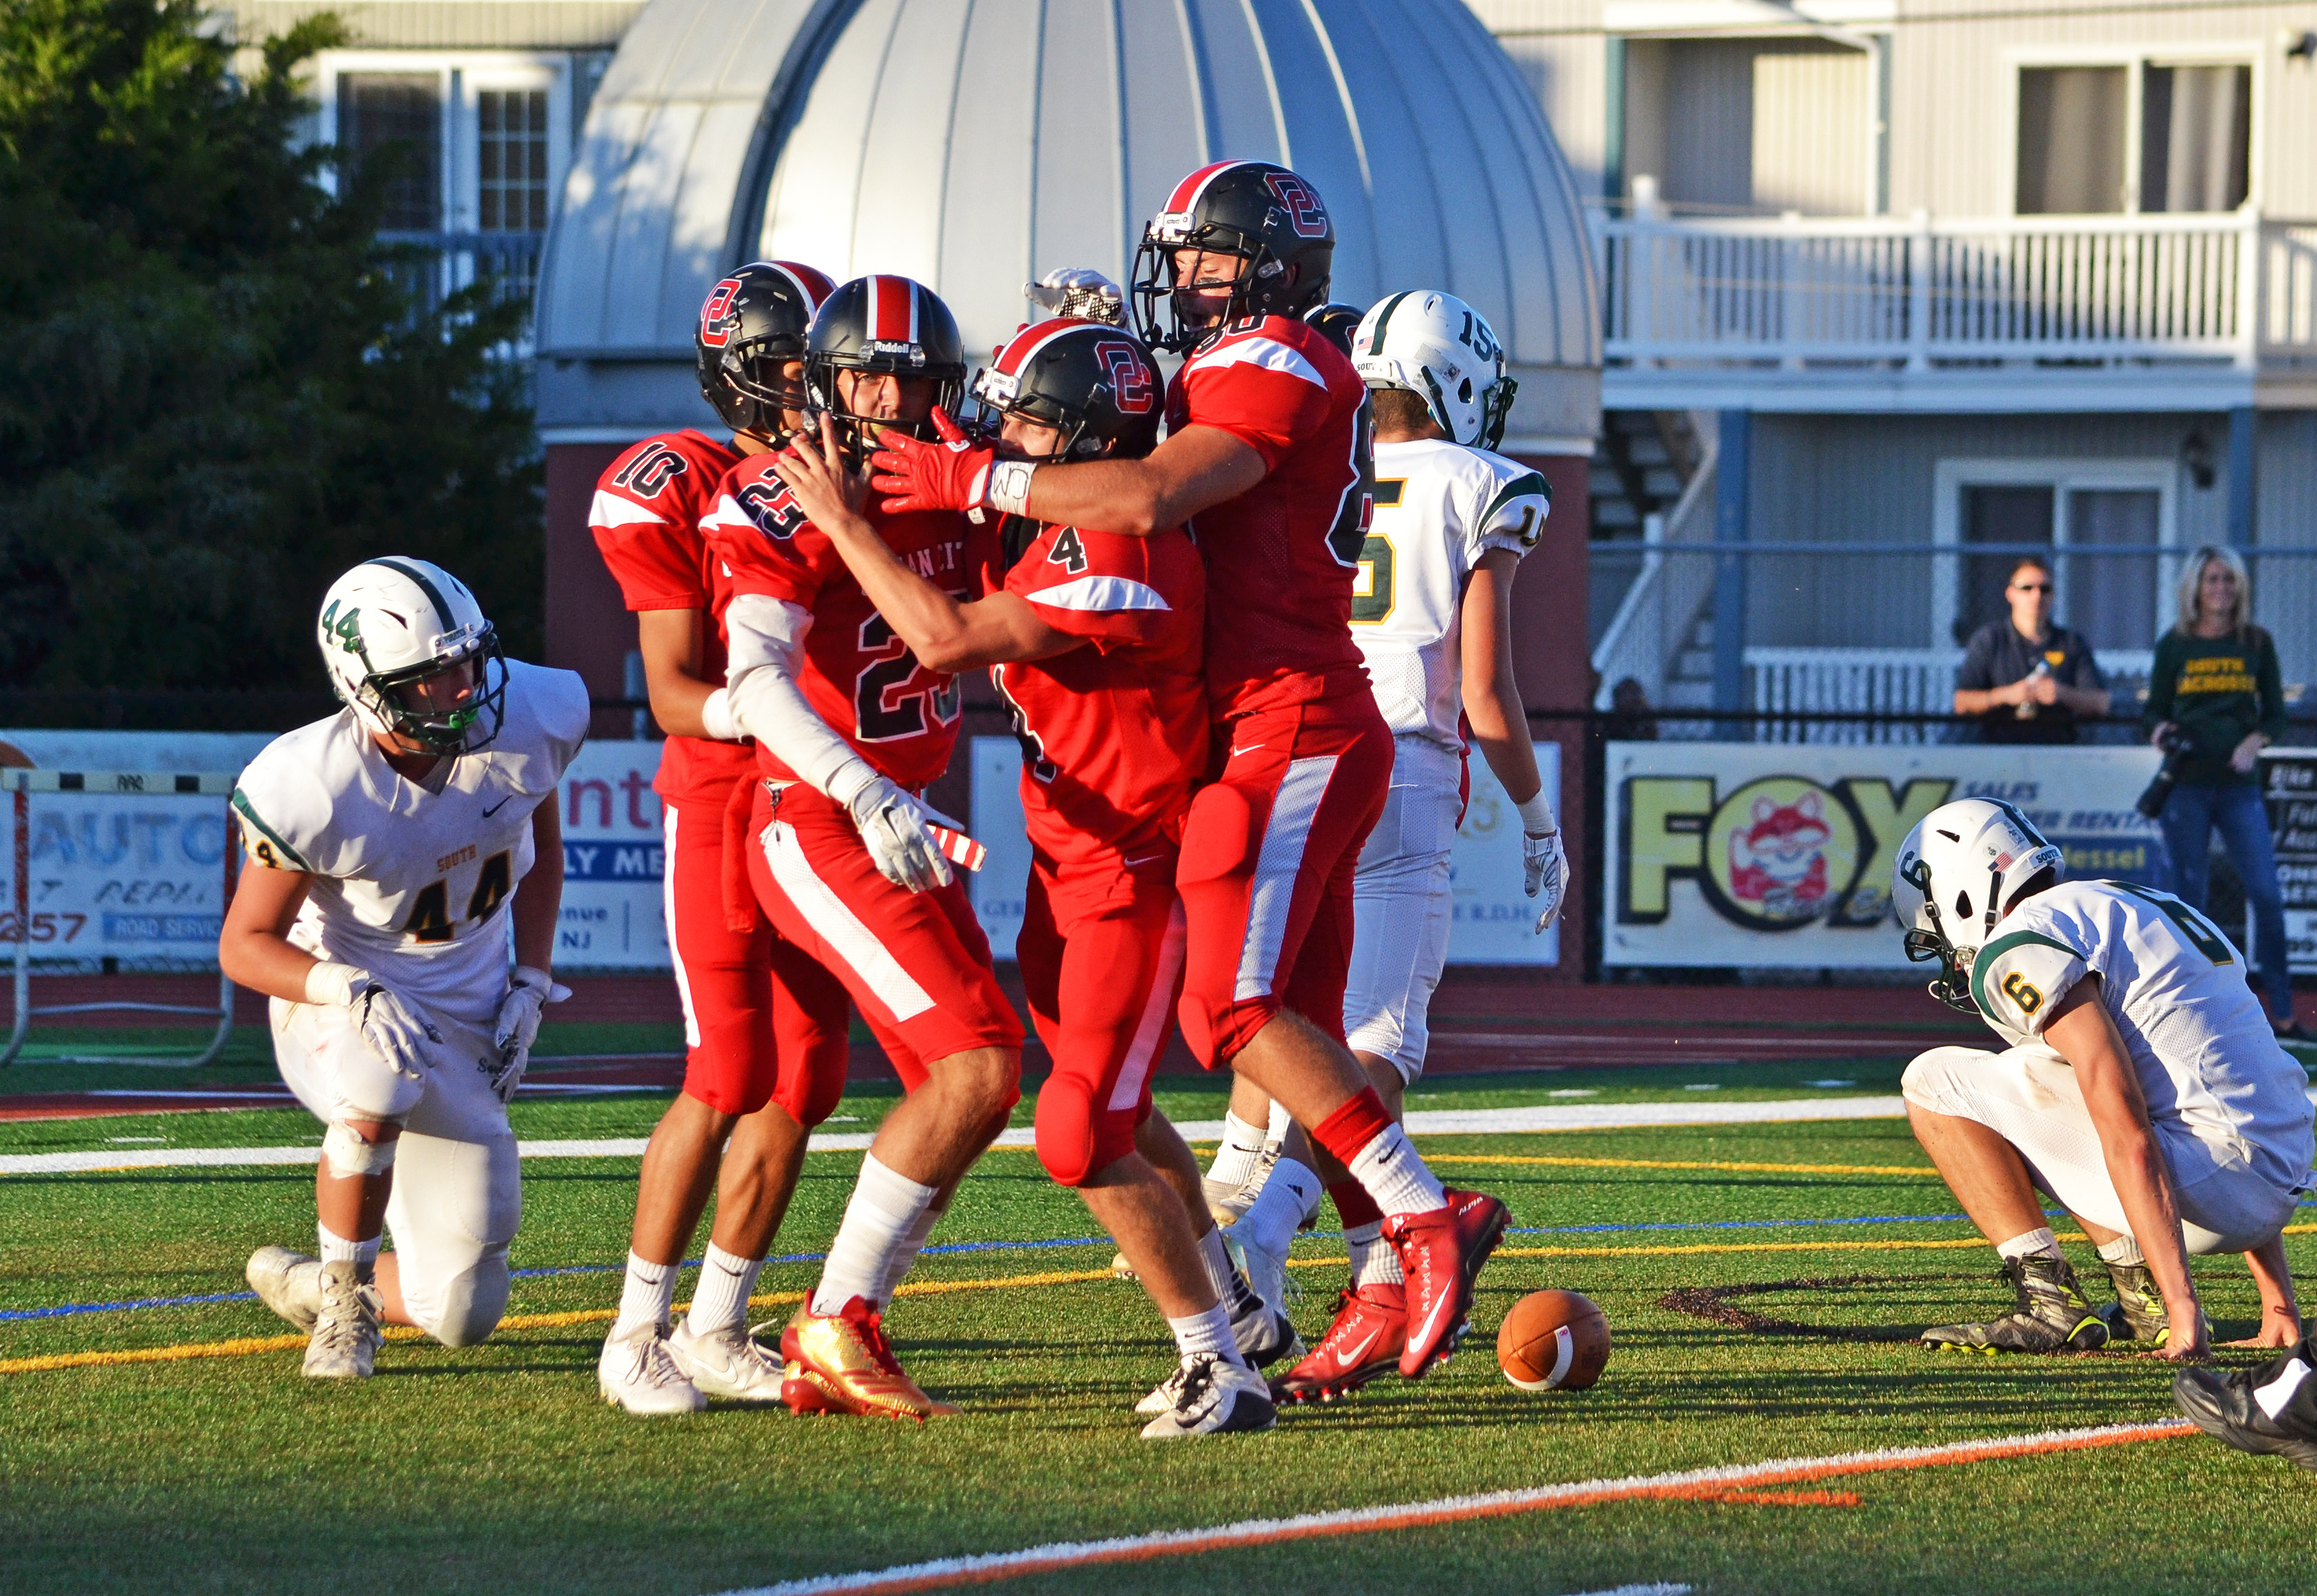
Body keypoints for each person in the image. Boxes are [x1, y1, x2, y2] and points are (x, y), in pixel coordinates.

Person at [869, 162, 1510, 1383]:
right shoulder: (1237, 364)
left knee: (1233, 1009)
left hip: (1294, 718)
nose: (1183, 280)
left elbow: (1156, 491)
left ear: (1265, 262)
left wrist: (971, 476)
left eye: (1203, 256)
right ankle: (1382, 1262)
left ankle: (1426, 1216)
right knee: (1300, 1025)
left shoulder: (1275, 358)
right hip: (1271, 721)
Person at [772, 317, 1291, 1437]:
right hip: (1072, 861)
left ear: (1084, 439)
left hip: (1132, 874)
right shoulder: (1073, 501)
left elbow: (946, 641)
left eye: (1026, 419)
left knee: (1078, 1132)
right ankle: (1237, 1314)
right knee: (1122, 1110)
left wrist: (843, 525)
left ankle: (1217, 1364)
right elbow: (965, 457)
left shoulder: (1125, 554)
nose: (999, 433)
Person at [708, 275, 1025, 1420]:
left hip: (903, 819)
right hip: (822, 818)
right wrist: (857, 785)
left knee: (984, 1082)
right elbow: (753, 681)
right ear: (823, 383)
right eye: (865, 377)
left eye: (911, 379)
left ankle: (777, 1327)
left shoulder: (958, 483)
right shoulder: (783, 494)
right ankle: (834, 1323)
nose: (889, 401)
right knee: (976, 1066)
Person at [1256, 289, 1567, 1403]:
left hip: (1294, 753)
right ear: (1462, 379)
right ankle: (1258, 1234)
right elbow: (1484, 691)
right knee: (1379, 1042)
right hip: (1403, 770)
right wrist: (1539, 818)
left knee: (1283, 1012)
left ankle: (1306, 1247)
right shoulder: (1486, 486)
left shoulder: (1313, 461)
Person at [589, 261, 859, 1415]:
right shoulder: (680, 485)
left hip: (818, 805)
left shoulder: (845, 472)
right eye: (811, 362)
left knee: (810, 1073)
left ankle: (716, 1321)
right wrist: (761, 707)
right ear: (756, 373)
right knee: (730, 1067)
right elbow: (670, 687)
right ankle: (634, 1333)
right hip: (723, 796)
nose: (836, 384)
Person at [224, 558, 586, 1378]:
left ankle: (312, 1281)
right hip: (345, 999)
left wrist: (531, 979)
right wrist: (343, 986)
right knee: (378, 1086)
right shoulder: (311, 783)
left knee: (461, 1311)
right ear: (367, 684)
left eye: (468, 661)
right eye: (432, 677)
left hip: (465, 1016)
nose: (463, 688)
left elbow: (541, 845)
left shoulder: (532, 712)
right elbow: (244, 942)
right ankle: (347, 1306)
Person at [1890, 797, 2312, 1356]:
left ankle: (2057, 1302)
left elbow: (2122, 1122)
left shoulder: (2018, 943)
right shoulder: (2131, 901)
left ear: (1959, 895)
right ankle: (2143, 1298)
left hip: (2212, 1185)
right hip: (2279, 1171)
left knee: (1932, 1078)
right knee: (2034, 1067)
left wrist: (2186, 1308)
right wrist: (2277, 1299)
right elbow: (2231, 1082)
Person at [2143, 545, 2307, 1042]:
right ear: (2195, 587)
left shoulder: (2255, 642)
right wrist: (2159, 731)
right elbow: (2152, 711)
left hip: (2238, 788)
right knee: (2187, 900)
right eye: (2212, 579)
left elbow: (2275, 714)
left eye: (2228, 580)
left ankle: (2281, 1012)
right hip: (2185, 785)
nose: (2220, 588)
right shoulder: (2174, 644)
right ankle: (2190, 1009)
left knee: (2266, 895)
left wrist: (2254, 741)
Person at [1952, 556, 2110, 743]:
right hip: (1999, 751)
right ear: (2010, 594)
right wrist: (2006, 696)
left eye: (2045, 589)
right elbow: (1962, 702)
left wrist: (2061, 693)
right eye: (2027, 588)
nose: (2037, 596)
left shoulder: (2071, 643)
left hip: (2057, 751)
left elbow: (2101, 703)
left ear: (2053, 595)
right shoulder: (1989, 640)